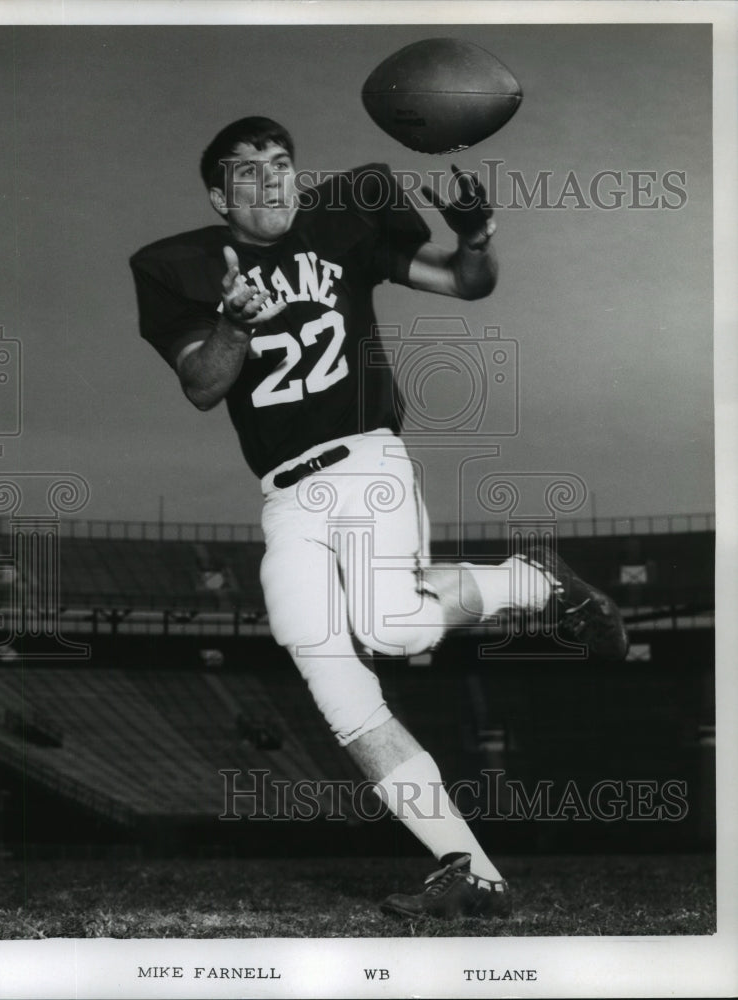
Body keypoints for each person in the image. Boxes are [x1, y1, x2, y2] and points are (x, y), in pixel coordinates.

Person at [130, 116, 628, 921]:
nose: (272, 179)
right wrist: (235, 321)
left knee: (394, 628)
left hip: (362, 458)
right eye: (247, 171)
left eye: (283, 163)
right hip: (285, 496)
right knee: (335, 685)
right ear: (217, 195)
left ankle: (532, 582)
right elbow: (201, 384)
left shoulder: (341, 221)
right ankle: (473, 871)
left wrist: (476, 236)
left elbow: (467, 283)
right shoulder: (176, 267)